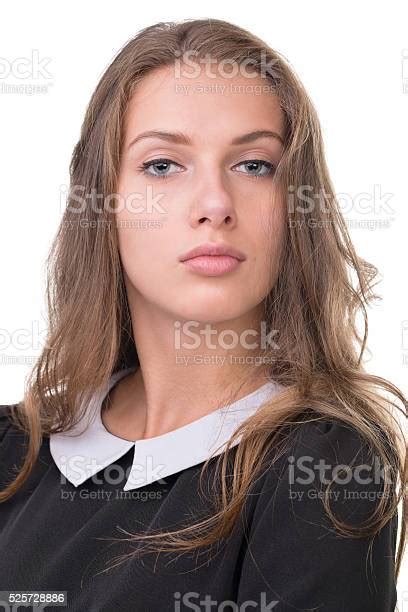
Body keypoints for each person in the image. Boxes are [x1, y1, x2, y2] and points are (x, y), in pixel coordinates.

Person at [0, 18, 406, 612]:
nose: (215, 204)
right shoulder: (16, 451)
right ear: (104, 200)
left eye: (254, 165)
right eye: (163, 165)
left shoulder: (322, 468)